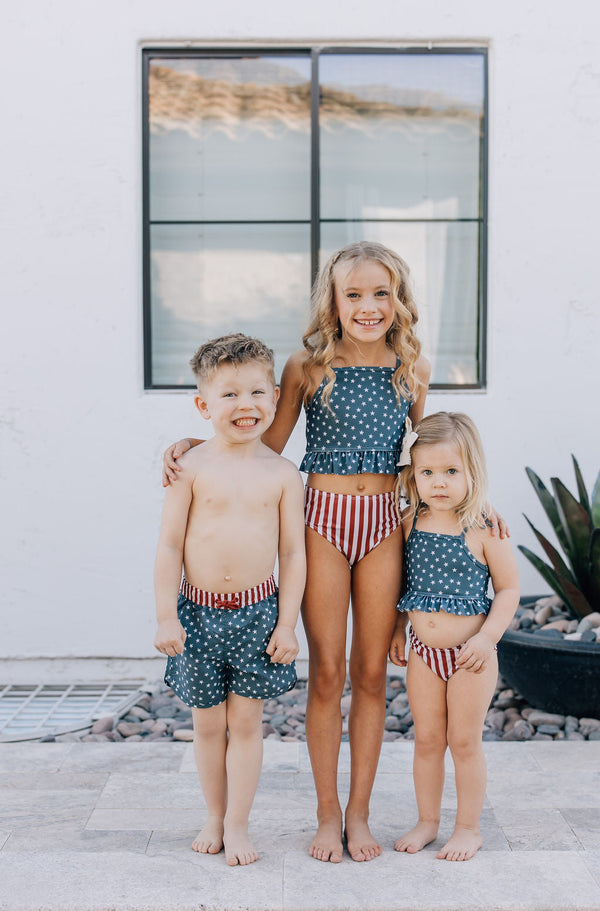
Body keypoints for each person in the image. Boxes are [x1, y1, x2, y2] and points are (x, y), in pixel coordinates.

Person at [163, 241, 431, 863]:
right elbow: (267, 444)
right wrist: (194, 444)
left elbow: (427, 456)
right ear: (332, 301)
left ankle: (358, 816)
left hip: (384, 523)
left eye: (381, 293)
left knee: (370, 677)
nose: (368, 306)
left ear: (399, 300)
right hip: (323, 519)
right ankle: (326, 814)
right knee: (328, 674)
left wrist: (476, 500)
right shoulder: (308, 365)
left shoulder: (411, 366)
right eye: (354, 294)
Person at [154, 333, 306, 867]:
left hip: (257, 615)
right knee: (207, 723)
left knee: (246, 724)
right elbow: (170, 543)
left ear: (275, 398)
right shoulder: (189, 469)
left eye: (258, 393)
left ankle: (239, 824)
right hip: (196, 615)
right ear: (203, 405)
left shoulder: (285, 474)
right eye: (230, 395)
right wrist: (166, 615)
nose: (246, 405)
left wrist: (287, 625)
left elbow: (292, 554)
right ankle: (214, 815)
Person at [389, 412, 519, 862]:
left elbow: (508, 590)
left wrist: (487, 638)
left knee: (463, 741)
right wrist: (400, 629)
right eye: (426, 472)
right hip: (425, 653)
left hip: (471, 656)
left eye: (451, 472)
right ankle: (428, 821)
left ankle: (468, 828)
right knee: (426, 740)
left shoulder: (483, 528)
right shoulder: (410, 523)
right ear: (413, 475)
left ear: (472, 472)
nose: (438, 483)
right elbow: (401, 584)